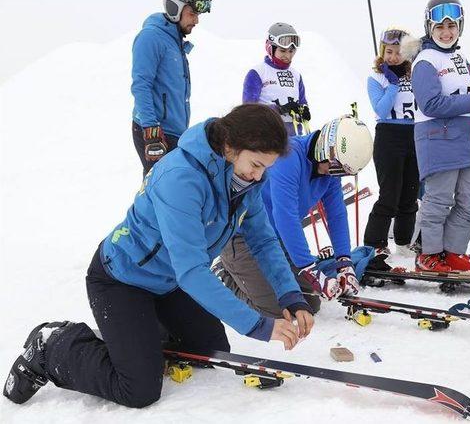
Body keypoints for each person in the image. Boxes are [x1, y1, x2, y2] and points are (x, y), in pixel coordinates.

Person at [3, 105, 314, 408]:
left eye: (265, 168)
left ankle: (139, 338)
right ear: (231, 146)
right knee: (139, 388)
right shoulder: (181, 177)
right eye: (256, 165)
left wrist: (290, 296)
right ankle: (52, 346)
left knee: (210, 350)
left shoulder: (244, 180)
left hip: (168, 283)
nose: (260, 177)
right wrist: (259, 326)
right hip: (123, 279)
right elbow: (192, 270)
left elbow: (262, 241)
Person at [219, 116, 373, 316]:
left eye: (341, 172)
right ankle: (225, 277)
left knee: (309, 302)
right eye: (336, 168)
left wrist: (344, 261)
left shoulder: (331, 171)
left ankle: (251, 278)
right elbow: (285, 216)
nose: (335, 174)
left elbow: (336, 213)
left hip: (276, 240)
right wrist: (309, 269)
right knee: (275, 310)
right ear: (327, 148)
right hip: (243, 237)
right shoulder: (288, 157)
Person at [405, 0, 470, 274]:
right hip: (437, 138)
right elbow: (430, 104)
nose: (447, 32)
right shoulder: (425, 60)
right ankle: (429, 253)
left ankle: (453, 251)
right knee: (440, 198)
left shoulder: (459, 57)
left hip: (465, 138)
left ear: (460, 26)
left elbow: (466, 93)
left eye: (452, 26)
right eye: (440, 26)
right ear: (429, 27)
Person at [131, 0, 211, 176]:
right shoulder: (150, 37)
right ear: (175, 9)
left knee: (168, 188)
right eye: (192, 14)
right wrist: (151, 130)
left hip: (175, 131)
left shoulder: (174, 41)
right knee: (161, 188)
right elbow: (141, 85)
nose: (196, 21)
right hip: (155, 129)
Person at [362, 27, 419, 260]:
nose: (393, 57)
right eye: (389, 52)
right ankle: (374, 243)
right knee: (389, 194)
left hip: (414, 135)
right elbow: (381, 109)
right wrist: (393, 84)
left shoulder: (416, 73)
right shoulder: (376, 78)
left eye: (398, 52)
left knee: (410, 193)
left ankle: (404, 242)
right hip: (388, 135)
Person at [242, 22, 310, 136]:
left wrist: (304, 110)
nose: (288, 56)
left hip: (293, 138)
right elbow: (248, 110)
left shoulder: (296, 75)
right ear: (270, 49)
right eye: (282, 51)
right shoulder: (258, 73)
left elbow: (302, 102)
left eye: (291, 51)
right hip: (266, 136)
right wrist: (280, 109)